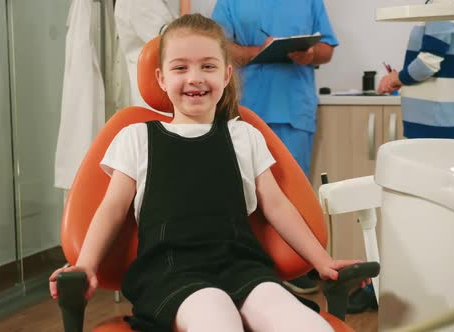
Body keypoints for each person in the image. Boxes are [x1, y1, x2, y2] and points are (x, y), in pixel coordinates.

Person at [49, 14, 366, 332]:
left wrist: (323, 262)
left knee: (308, 325)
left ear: (227, 75)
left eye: (208, 66)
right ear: (161, 78)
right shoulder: (136, 138)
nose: (195, 77)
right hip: (170, 274)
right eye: (180, 67)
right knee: (217, 319)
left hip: (243, 269)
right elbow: (112, 209)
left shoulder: (245, 136)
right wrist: (85, 266)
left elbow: (277, 205)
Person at [212, 0, 338, 294]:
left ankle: (295, 266)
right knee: (238, 194)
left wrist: (309, 54)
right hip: (245, 108)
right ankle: (245, 269)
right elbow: (217, 47)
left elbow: (327, 49)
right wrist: (261, 52)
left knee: (292, 193)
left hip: (294, 108)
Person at [377, 0, 454, 139]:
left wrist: (396, 78)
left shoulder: (443, 1)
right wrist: (402, 79)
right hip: (435, 122)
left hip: (434, 125)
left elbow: (428, 63)